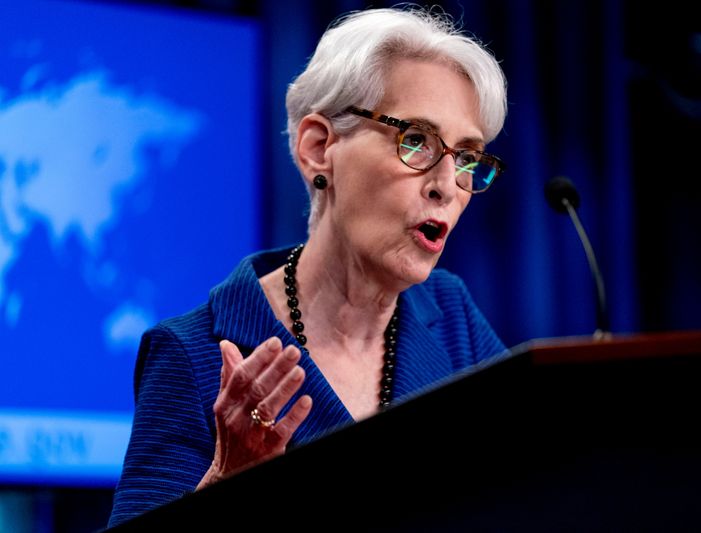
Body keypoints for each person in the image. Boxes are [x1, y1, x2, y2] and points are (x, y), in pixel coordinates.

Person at [107, 4, 508, 527]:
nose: (447, 184)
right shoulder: (195, 355)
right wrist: (225, 486)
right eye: (417, 142)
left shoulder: (451, 316)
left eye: (467, 157)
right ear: (319, 148)